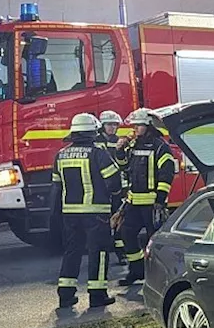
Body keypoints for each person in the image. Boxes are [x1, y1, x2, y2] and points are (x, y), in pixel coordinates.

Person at [51, 114, 122, 309]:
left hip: (70, 214)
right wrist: (115, 196)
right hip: (96, 213)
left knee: (72, 252)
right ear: (93, 133)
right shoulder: (97, 153)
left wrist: (56, 216)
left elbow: (56, 188)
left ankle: (65, 296)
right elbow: (114, 182)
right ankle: (97, 295)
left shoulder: (60, 155)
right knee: (98, 252)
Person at [118, 108, 175, 286]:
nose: (135, 129)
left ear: (148, 126)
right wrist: (120, 150)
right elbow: (124, 166)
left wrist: (160, 200)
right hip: (134, 202)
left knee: (154, 241)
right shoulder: (134, 144)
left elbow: (167, 173)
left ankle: (156, 277)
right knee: (126, 233)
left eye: (139, 126)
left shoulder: (160, 146)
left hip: (151, 203)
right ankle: (136, 271)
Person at [98, 110, 128, 266]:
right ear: (102, 126)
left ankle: (121, 253)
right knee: (102, 222)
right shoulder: (96, 142)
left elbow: (124, 164)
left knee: (118, 221)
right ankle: (103, 253)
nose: (112, 128)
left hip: (117, 188)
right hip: (101, 189)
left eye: (115, 125)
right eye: (109, 125)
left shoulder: (119, 142)